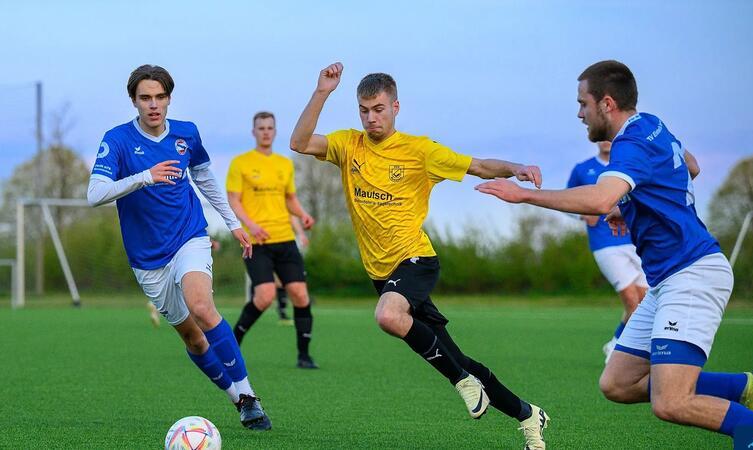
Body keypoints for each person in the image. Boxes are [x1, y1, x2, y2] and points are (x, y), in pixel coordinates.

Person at [476, 59, 753, 445]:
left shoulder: (630, 144)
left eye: (583, 103)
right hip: (668, 280)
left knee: (671, 402)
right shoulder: (652, 124)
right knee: (618, 382)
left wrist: (525, 194)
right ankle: (747, 387)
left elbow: (597, 199)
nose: (579, 114)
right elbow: (689, 166)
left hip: (692, 274)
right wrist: (626, 204)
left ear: (607, 103)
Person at [289, 62, 550, 449]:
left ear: (396, 107)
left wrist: (516, 168)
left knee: (388, 316)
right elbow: (299, 142)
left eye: (378, 109)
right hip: (381, 273)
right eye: (364, 110)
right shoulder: (348, 145)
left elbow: (477, 165)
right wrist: (322, 91)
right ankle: (528, 415)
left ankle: (462, 384)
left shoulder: (419, 150)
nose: (371, 118)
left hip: (415, 259)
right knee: (457, 356)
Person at [87, 64, 271, 430]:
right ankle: (237, 400)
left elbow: (205, 179)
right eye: (145, 98)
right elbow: (95, 194)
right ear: (134, 101)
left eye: (159, 97)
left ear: (169, 98)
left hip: (190, 236)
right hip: (147, 258)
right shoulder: (118, 139)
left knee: (202, 306)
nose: (153, 105)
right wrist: (144, 177)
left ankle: (250, 395)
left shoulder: (187, 134)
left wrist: (233, 223)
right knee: (193, 338)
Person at [227, 111, 318, 369]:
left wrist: (302, 214)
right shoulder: (240, 163)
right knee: (265, 295)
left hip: (285, 239)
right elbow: (234, 199)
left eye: (270, 127)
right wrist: (251, 225)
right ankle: (232, 344)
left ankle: (304, 355)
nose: (266, 131)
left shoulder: (284, 164)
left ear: (275, 131)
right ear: (253, 132)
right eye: (261, 127)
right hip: (257, 242)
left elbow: (289, 198)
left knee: (300, 295)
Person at [566, 141, 648, 362]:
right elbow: (567, 201)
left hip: (634, 241)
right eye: (602, 137)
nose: (605, 141)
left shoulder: (625, 166)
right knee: (632, 301)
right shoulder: (582, 169)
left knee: (646, 301)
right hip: (605, 245)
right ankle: (617, 349)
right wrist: (582, 215)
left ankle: (620, 345)